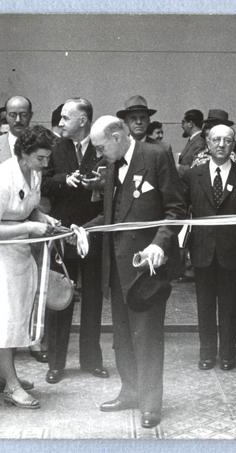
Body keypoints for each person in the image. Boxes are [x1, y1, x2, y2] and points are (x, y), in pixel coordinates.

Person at [85, 115, 186, 429]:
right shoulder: (113, 165)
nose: (101, 155)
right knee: (122, 337)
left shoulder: (156, 156)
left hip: (147, 268)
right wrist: (82, 230)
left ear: (117, 136)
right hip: (115, 267)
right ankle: (130, 391)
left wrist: (160, 244)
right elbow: (113, 215)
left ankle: (150, 403)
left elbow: (176, 209)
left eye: (102, 147)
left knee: (147, 337)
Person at [0, 125, 60, 409]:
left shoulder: (35, 172)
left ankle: (3, 375)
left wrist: (44, 216)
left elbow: (30, 206)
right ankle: (12, 386)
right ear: (24, 153)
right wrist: (31, 226)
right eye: (40, 158)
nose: (45, 164)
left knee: (19, 312)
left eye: (47, 158)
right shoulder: (0, 178)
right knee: (4, 316)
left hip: (19, 250)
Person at [182, 125, 236, 372]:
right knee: (205, 306)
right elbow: (184, 213)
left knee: (229, 307)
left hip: (232, 252)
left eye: (227, 140)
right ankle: (206, 354)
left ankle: (227, 353)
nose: (221, 145)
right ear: (207, 142)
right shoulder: (195, 175)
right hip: (202, 251)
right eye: (216, 140)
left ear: (233, 144)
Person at [41, 98, 107, 384]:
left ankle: (91, 360)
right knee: (59, 299)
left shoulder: (102, 147)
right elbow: (40, 182)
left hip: (94, 233)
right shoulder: (55, 149)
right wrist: (63, 180)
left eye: (67, 118)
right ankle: (56, 363)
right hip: (63, 234)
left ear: (83, 120)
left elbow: (114, 185)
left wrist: (99, 185)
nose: (61, 123)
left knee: (92, 299)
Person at [0, 95, 34, 196]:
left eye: (23, 115)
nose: (18, 120)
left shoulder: (40, 145)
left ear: (30, 115)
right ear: (7, 116)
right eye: (13, 115)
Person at [116, 95, 174, 161]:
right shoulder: (118, 148)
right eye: (133, 118)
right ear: (126, 121)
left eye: (142, 117)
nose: (138, 122)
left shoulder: (163, 149)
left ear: (148, 120)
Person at [178, 109, 206, 175]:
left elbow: (196, 168)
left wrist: (176, 167)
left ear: (190, 124)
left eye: (183, 122)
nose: (182, 126)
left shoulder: (200, 142)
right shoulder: (194, 140)